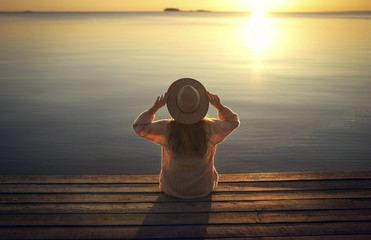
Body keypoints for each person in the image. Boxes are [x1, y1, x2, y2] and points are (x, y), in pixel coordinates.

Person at [133, 78, 239, 199]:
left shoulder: (167, 128)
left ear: (175, 105)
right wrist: (219, 107)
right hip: (203, 189)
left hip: (172, 189)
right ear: (200, 105)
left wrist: (154, 109)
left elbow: (139, 126)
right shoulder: (210, 128)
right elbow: (233, 122)